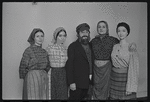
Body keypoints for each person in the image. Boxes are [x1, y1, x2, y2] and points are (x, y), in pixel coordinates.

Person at [90, 21, 120, 100]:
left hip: (107, 69)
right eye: (99, 27)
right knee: (95, 87)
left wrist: (132, 45)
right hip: (95, 69)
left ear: (107, 29)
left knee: (105, 89)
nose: (101, 29)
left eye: (103, 27)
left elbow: (123, 46)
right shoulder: (93, 41)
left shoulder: (113, 40)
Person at [109, 22, 139, 100]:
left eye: (123, 30)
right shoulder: (115, 46)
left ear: (127, 32)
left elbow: (134, 68)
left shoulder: (131, 47)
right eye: (118, 31)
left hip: (125, 78)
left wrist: (131, 87)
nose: (121, 33)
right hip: (114, 78)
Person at [19, 28, 50, 100]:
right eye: (37, 36)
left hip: (43, 78)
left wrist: (43, 73)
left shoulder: (44, 51)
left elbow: (47, 66)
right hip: (32, 78)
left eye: (42, 36)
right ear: (33, 38)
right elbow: (22, 67)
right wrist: (28, 77)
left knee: (43, 96)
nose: (40, 38)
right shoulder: (28, 50)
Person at [66, 23, 93, 100]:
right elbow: (69, 65)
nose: (85, 34)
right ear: (78, 34)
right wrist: (71, 82)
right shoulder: (73, 46)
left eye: (87, 32)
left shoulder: (91, 45)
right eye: (82, 32)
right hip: (77, 83)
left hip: (89, 83)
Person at [46, 27, 68, 100]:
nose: (62, 38)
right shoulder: (49, 48)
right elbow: (46, 62)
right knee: (53, 94)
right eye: (60, 35)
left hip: (63, 73)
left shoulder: (66, 49)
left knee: (63, 94)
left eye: (64, 36)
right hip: (52, 73)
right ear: (56, 36)